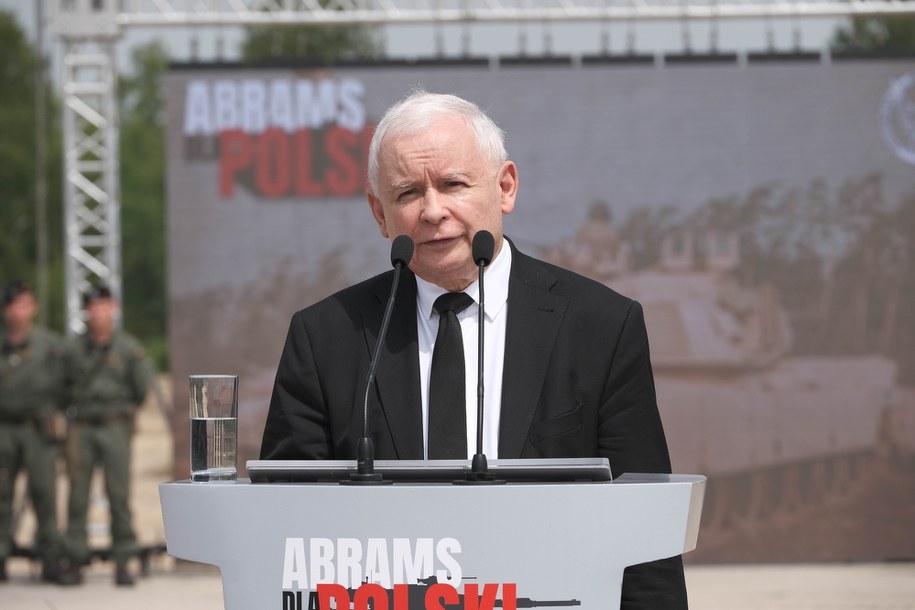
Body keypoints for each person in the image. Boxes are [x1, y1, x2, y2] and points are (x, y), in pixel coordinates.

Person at [260, 90, 688, 608]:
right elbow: (287, 536)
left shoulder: (600, 326)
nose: (432, 211)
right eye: (407, 193)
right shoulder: (325, 337)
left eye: (453, 184)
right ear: (379, 213)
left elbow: (646, 539)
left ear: (505, 187)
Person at [60, 285, 148, 586]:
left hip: (114, 426)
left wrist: (122, 414)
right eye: (93, 307)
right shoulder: (73, 349)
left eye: (104, 306)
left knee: (119, 493)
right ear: (86, 311)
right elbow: (62, 388)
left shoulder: (128, 348)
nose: (99, 313)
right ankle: (74, 558)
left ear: (114, 307)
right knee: (77, 495)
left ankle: (123, 559)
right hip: (81, 427)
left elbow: (140, 390)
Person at [0, 281, 68, 583]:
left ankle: (51, 559)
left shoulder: (50, 345)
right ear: (6, 310)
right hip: (4, 428)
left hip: (38, 432)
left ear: (34, 308)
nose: (19, 311)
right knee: (2, 496)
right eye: (14, 305)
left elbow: (69, 384)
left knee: (45, 495)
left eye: (25, 304)